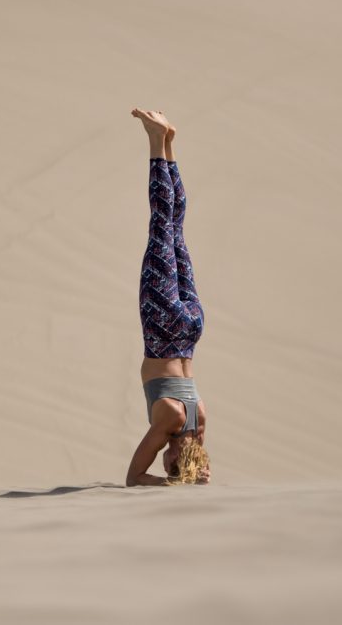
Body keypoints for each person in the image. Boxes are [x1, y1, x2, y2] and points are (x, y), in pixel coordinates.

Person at [125, 109, 211, 487]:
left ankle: (169, 142)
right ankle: (156, 140)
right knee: (161, 224)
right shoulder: (172, 421)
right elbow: (133, 477)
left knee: (175, 231)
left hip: (191, 330)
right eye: (169, 461)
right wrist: (170, 482)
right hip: (163, 327)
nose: (164, 458)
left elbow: (199, 464)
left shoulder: (198, 419)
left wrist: (196, 473)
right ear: (177, 457)